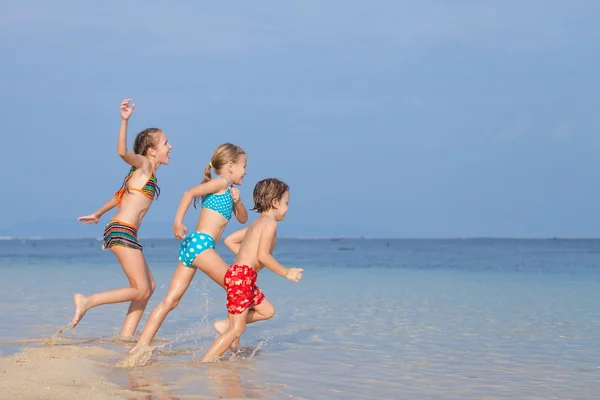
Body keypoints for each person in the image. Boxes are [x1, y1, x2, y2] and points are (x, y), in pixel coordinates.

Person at [71, 98, 172, 338]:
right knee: (140, 288)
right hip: (122, 230)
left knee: (148, 288)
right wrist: (124, 120)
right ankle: (88, 300)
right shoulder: (145, 165)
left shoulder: (142, 175)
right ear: (152, 151)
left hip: (123, 230)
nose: (171, 147)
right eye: (166, 143)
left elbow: (121, 197)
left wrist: (97, 213)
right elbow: (122, 152)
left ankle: (126, 337)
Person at [201, 178, 303, 362]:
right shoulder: (270, 224)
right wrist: (286, 272)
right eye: (286, 203)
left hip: (242, 276)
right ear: (275, 202)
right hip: (242, 277)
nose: (288, 208)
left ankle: (225, 325)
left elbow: (230, 240)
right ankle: (205, 362)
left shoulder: (257, 224)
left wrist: (248, 258)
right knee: (237, 329)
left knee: (267, 311)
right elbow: (264, 256)